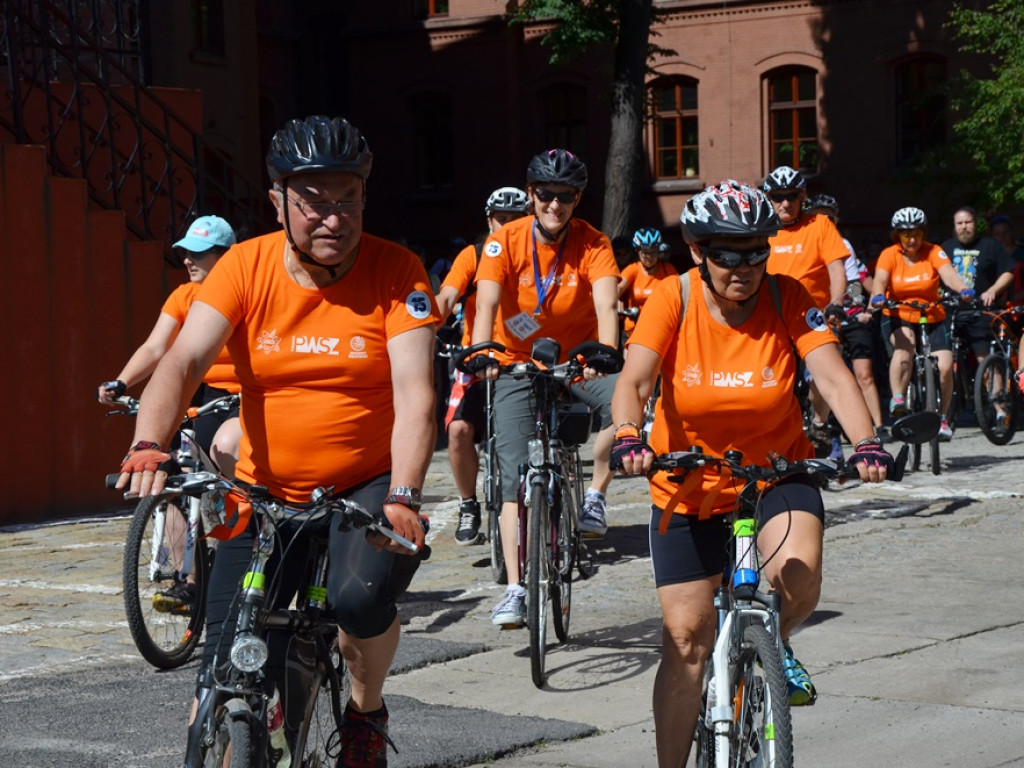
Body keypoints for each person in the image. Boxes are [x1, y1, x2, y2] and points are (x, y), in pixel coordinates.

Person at [115, 115, 439, 767]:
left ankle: (365, 715)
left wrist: (403, 494)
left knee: (356, 603)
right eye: (314, 201)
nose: (334, 216)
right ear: (278, 201)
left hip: (364, 485)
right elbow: (180, 363)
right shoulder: (244, 267)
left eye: (348, 198)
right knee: (223, 669)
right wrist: (149, 440)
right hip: (262, 493)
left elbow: (415, 395)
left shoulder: (397, 271)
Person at [609, 180, 894, 768]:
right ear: (698, 250)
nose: (743, 266)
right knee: (687, 642)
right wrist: (630, 434)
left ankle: (775, 643)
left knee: (800, 575)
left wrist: (866, 441)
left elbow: (834, 376)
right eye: (726, 253)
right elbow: (635, 379)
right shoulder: (672, 297)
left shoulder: (788, 298)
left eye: (756, 250)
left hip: (775, 472)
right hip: (688, 483)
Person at [466, 148, 620, 627]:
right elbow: (487, 303)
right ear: (531, 195)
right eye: (546, 195)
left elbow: (606, 307)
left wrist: (606, 352)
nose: (555, 205)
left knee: (628, 409)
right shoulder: (505, 241)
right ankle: (515, 588)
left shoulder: (594, 243)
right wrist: (483, 351)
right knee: (512, 477)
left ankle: (594, 493)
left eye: (566, 197)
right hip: (515, 363)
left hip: (578, 362)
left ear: (578, 199)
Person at [98, 214, 241, 611]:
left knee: (231, 466)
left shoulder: (244, 291)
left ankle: (243, 550)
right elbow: (155, 346)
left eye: (198, 253)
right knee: (174, 479)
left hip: (239, 396)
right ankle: (187, 580)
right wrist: (121, 383)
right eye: (184, 253)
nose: (188, 261)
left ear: (225, 256)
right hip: (199, 395)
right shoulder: (183, 296)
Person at [435, 186, 530, 544]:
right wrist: (427, 318)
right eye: (500, 220)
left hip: (524, 360)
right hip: (477, 359)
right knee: (459, 432)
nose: (506, 227)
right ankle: (468, 503)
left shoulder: (539, 258)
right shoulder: (473, 255)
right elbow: (448, 295)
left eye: (515, 220)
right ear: (489, 220)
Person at [763, 166, 849, 456]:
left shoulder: (820, 225)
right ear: (769, 198)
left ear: (802, 197)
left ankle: (819, 421)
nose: (784, 203)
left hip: (814, 316)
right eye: (777, 197)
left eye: (791, 196)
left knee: (821, 372)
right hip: (772, 315)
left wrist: (836, 302)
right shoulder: (763, 228)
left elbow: (837, 270)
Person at [870, 207, 973, 441]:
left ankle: (943, 417)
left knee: (945, 365)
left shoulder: (934, 251)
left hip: (932, 314)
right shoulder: (889, 254)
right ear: (897, 235)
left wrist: (962, 288)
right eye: (906, 235)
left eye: (916, 234)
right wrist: (877, 295)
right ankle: (898, 399)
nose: (912, 240)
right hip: (899, 312)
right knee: (905, 348)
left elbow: (948, 274)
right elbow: (880, 279)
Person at [802, 194, 886, 450]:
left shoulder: (843, 244)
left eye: (829, 216)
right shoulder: (802, 237)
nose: (824, 220)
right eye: (818, 215)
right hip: (804, 314)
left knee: (859, 373)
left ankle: (875, 429)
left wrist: (856, 304)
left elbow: (855, 283)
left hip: (840, 314)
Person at [940, 206, 1016, 365]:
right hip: (952, 313)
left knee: (985, 359)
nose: (964, 226)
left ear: (975, 223)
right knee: (944, 359)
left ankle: (995, 390)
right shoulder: (945, 247)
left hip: (981, 312)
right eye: (959, 223)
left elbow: (1008, 272)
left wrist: (993, 290)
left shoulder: (990, 245)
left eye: (968, 222)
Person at [617, 227, 678, 338]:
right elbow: (618, 288)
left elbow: (679, 293)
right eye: (645, 253)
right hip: (634, 328)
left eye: (653, 252)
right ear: (637, 252)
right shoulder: (633, 269)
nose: (649, 257)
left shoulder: (668, 270)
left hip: (660, 326)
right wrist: (614, 299)